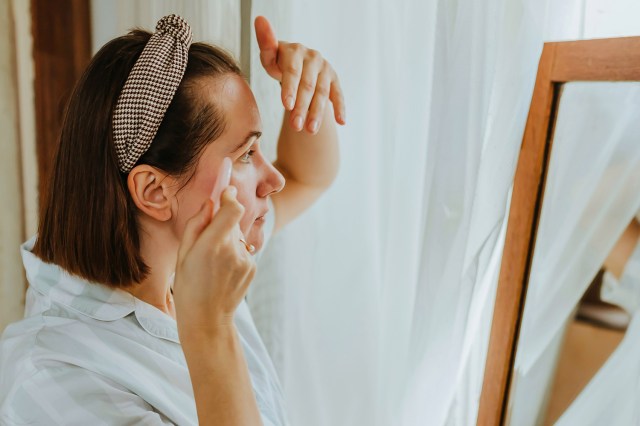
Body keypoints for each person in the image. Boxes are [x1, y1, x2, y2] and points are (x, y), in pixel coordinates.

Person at [0, 14, 344, 425]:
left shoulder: (187, 252)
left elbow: (308, 177)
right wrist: (210, 331)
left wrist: (309, 95)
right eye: (246, 155)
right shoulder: (53, 385)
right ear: (154, 192)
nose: (274, 180)